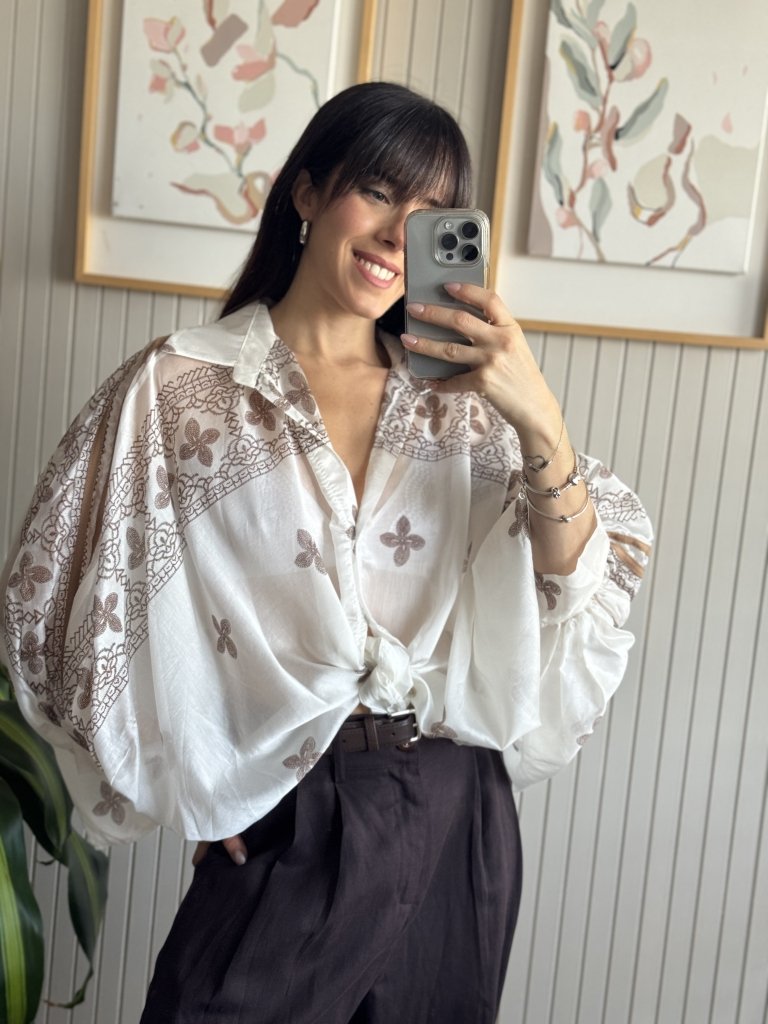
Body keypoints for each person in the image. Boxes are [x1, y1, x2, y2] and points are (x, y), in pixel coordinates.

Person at [2, 82, 652, 1023]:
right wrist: (205, 773)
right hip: (291, 806)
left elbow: (576, 583)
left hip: (455, 804)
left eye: (429, 214)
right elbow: (56, 596)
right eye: (377, 191)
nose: (396, 235)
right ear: (307, 192)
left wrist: (537, 414)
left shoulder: (465, 410)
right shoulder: (181, 388)